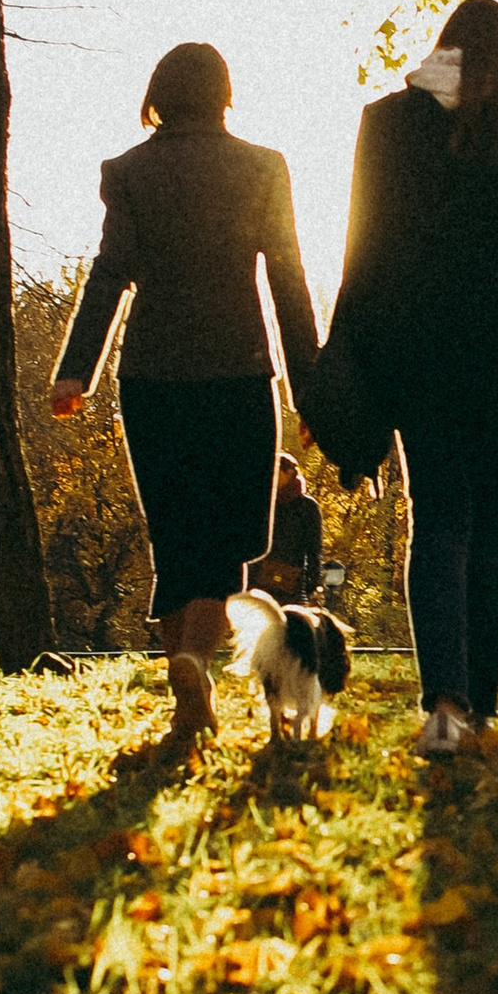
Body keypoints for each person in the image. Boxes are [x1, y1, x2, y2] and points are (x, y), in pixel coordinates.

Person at [327, 0, 498, 755]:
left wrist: (350, 361)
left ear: (441, 48)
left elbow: (363, 251)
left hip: (419, 351)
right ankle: (479, 707)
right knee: (491, 529)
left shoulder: (387, 120)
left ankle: (443, 705)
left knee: (438, 519)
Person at [50, 42, 318, 753]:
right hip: (236, 370)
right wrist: (310, 384)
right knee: (228, 544)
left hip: (153, 375)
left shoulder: (129, 171)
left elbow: (109, 274)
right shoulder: (262, 167)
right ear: (226, 94)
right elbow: (288, 280)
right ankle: (194, 661)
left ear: (159, 95)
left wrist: (76, 369)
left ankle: (184, 684)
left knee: (175, 535)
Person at [256, 453, 324, 604]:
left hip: (290, 585)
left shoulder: (307, 507)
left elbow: (314, 549)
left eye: (276, 472)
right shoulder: (263, 501)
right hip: (258, 581)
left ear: (289, 473)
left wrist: (311, 585)